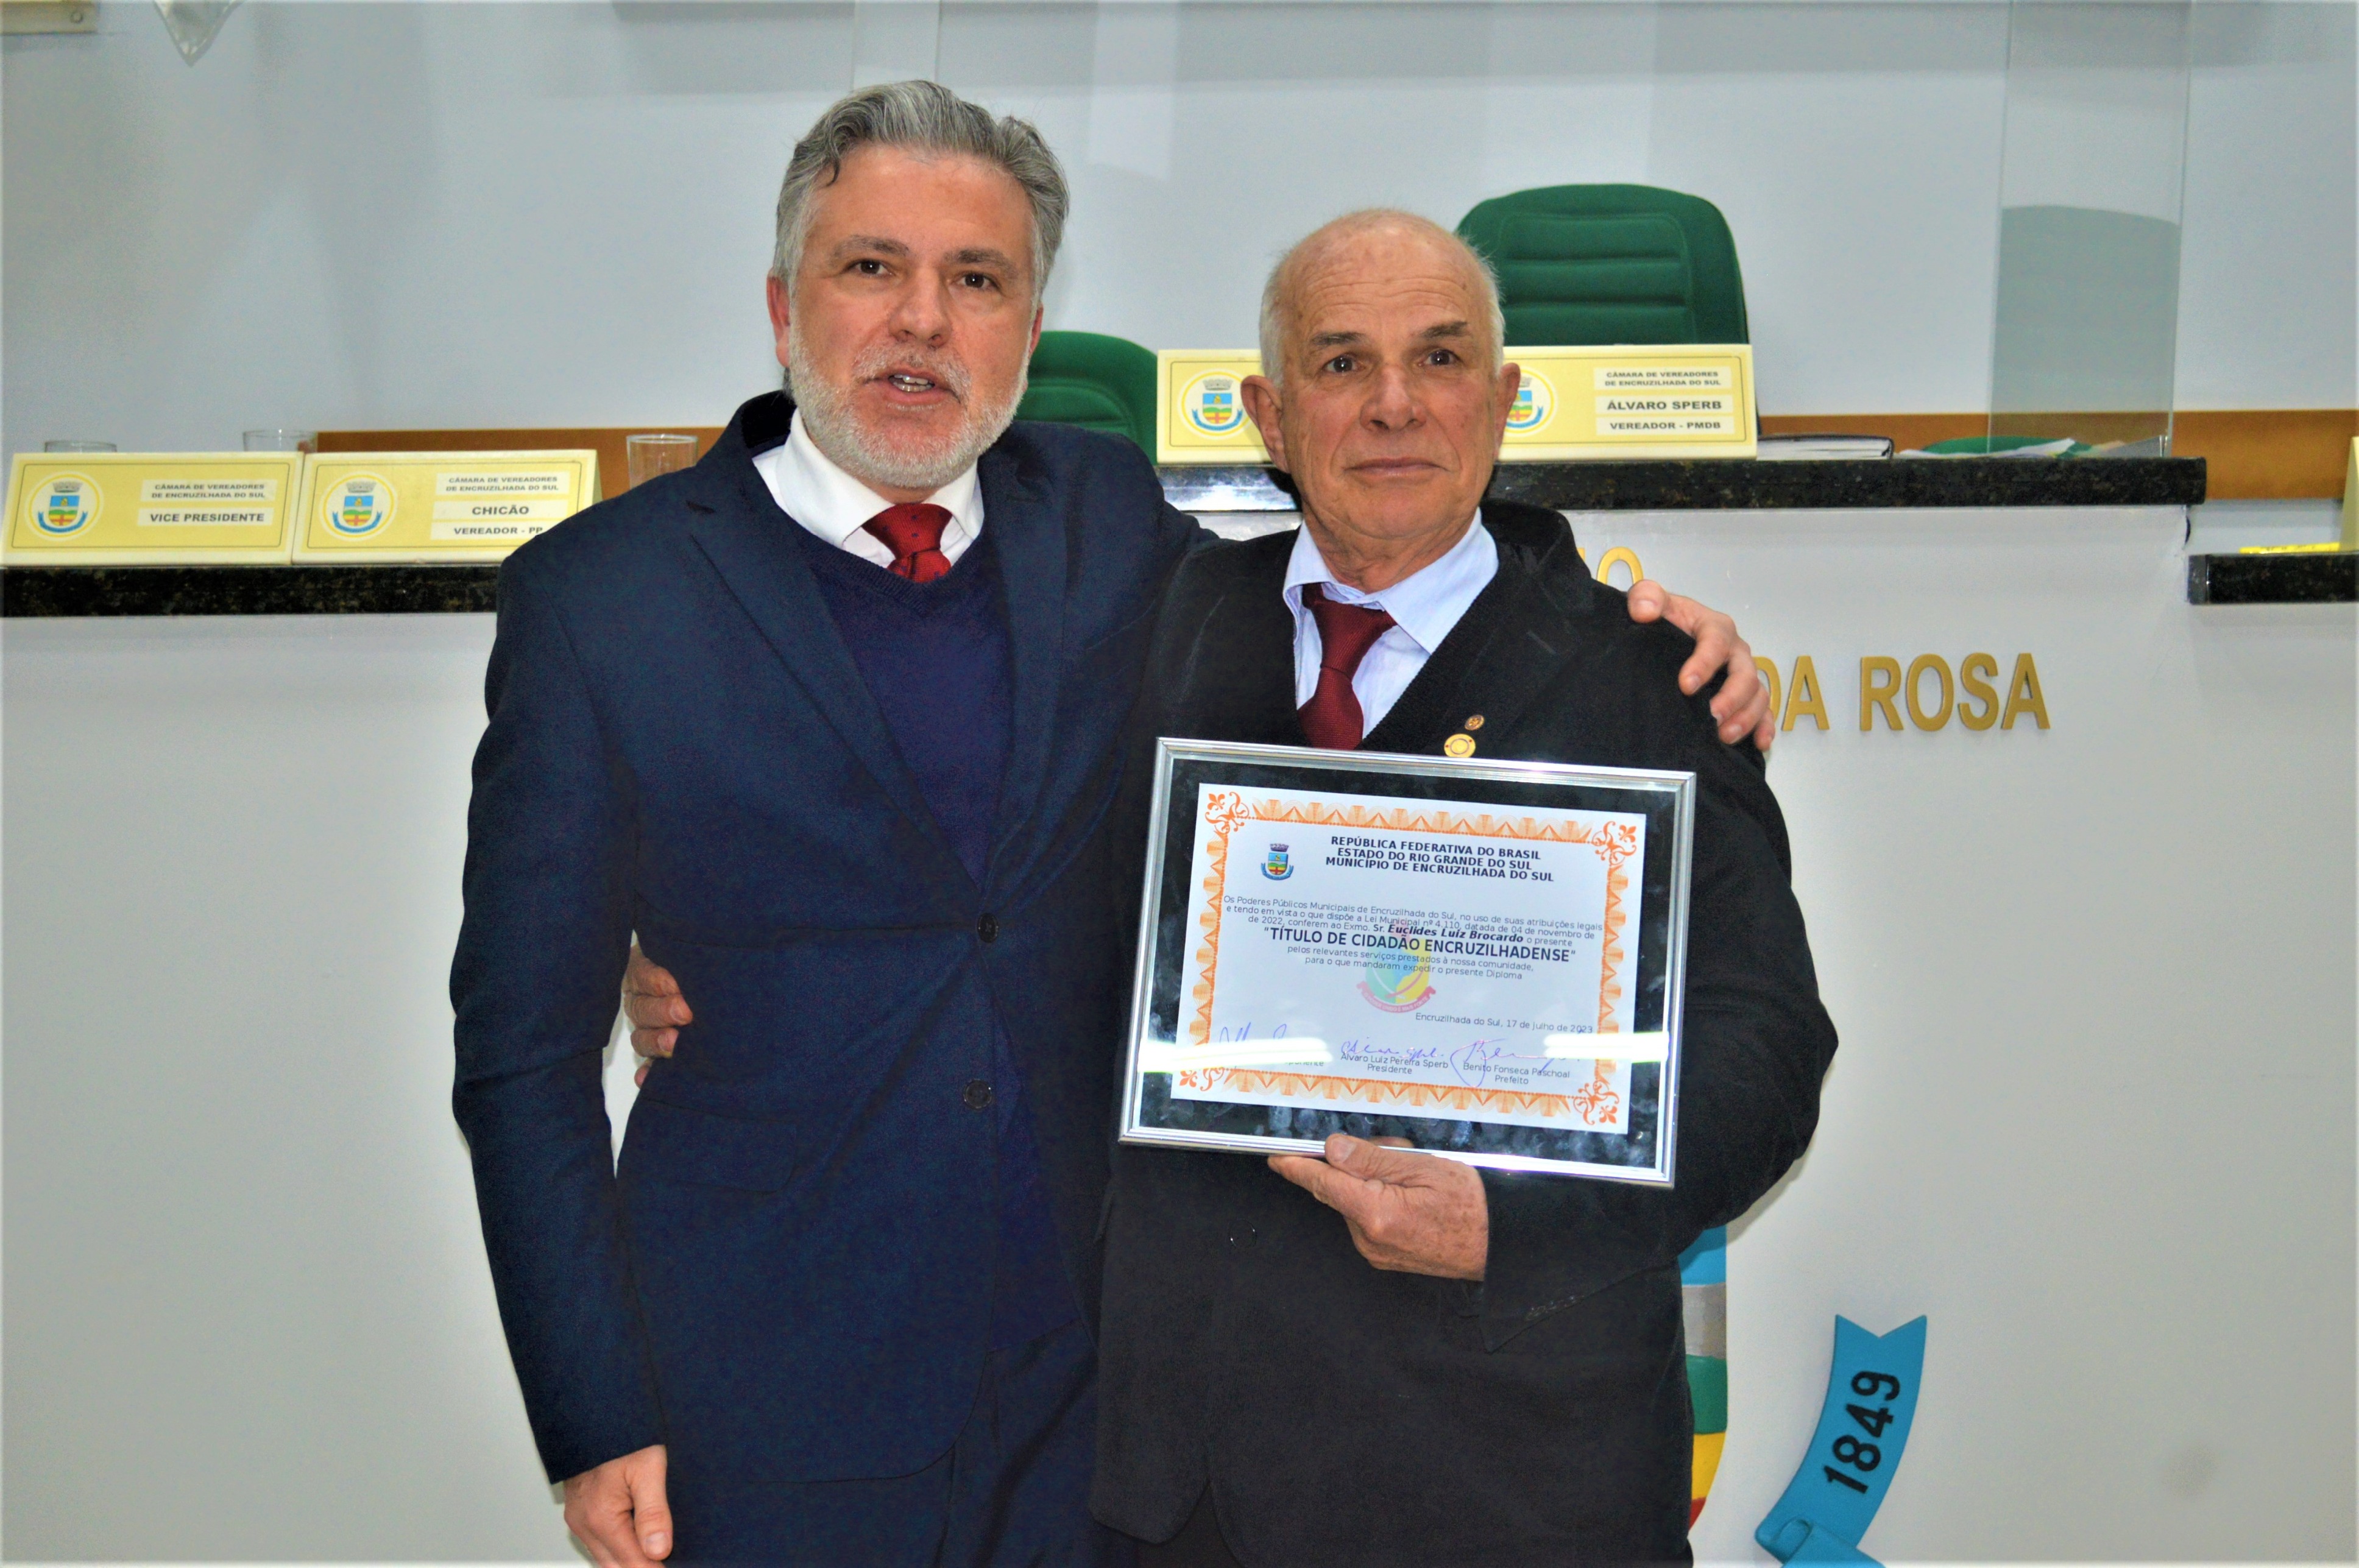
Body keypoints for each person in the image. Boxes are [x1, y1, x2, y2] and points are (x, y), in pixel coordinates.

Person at [465, 83, 1772, 1568]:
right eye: (871, 266)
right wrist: (592, 1409)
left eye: (977, 280)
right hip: (762, 1391)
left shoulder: (1108, 529)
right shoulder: (600, 600)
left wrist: (1642, 633)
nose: (922, 321)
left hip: (1096, 1414)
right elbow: (518, 1062)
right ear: (782, 305)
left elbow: (1384, 546)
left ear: (1030, 327)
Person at [1079, 211, 1841, 1567]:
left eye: (1439, 358)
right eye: (1340, 363)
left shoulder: (1649, 680)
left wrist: (1517, 1221)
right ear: (1268, 413)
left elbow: (1769, 1053)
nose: (1394, 404)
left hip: (1517, 1474)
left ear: (1502, 399)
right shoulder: (1153, 627)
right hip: (1191, 1487)